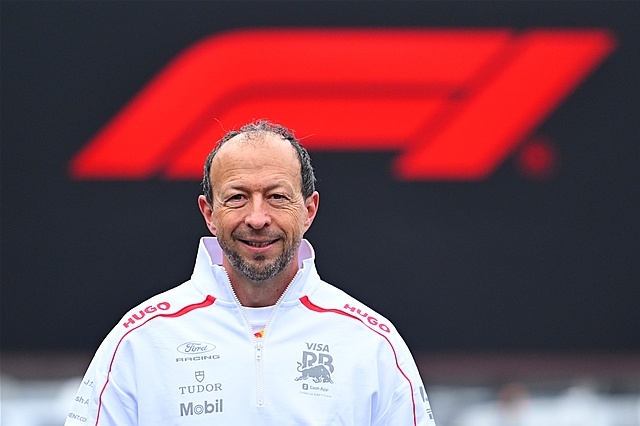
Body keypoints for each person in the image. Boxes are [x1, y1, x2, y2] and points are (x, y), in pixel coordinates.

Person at [65, 120, 437, 425]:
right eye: (237, 197)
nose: (257, 218)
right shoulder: (139, 340)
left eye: (277, 197)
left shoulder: (372, 344)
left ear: (309, 211)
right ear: (209, 213)